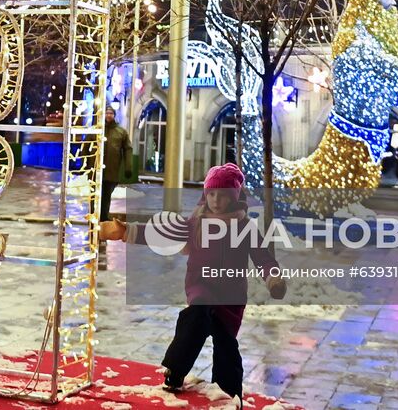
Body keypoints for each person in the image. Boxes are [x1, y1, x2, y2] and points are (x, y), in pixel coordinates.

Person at [100, 162, 286, 403]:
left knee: (226, 341)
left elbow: (262, 256)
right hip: (201, 285)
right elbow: (163, 233)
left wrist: (273, 277)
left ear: (234, 197)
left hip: (232, 295)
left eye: (223, 195)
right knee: (196, 316)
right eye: (211, 194)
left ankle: (228, 391)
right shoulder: (196, 222)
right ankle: (175, 370)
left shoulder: (245, 227)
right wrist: (124, 231)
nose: (216, 200)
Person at [101, 106, 131, 223]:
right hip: (97, 171)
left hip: (112, 170)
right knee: (98, 196)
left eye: (111, 113)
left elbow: (128, 149)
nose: (108, 115)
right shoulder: (98, 130)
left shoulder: (121, 132)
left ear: (114, 115)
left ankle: (103, 218)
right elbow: (88, 146)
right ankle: (99, 218)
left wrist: (128, 167)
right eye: (107, 113)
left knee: (106, 194)